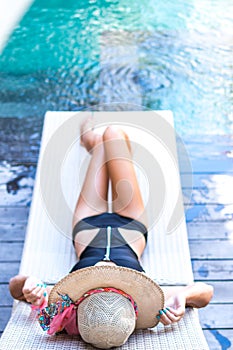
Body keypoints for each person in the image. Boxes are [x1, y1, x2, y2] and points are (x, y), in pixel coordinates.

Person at [9, 119, 213, 349]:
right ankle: (104, 143)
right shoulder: (143, 298)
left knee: (102, 142)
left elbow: (15, 287)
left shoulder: (67, 300)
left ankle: (91, 139)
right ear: (128, 299)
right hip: (130, 225)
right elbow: (206, 292)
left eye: (97, 290)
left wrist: (29, 284)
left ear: (82, 302)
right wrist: (184, 297)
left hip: (88, 227)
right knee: (113, 133)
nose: (107, 272)